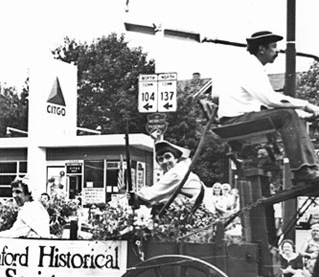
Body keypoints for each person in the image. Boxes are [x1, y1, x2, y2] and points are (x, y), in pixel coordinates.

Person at [215, 31, 319, 185]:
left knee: (288, 115)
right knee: (286, 115)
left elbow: (263, 105)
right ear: (261, 49)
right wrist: (306, 105)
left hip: (237, 120)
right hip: (234, 122)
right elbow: (270, 100)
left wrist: (303, 114)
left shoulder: (251, 66)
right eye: (274, 47)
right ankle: (305, 170)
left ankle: (306, 169)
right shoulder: (249, 67)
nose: (277, 51)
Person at [130, 140, 205, 211]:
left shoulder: (177, 173)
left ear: (176, 158)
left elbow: (152, 195)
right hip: (196, 211)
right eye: (160, 159)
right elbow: (160, 198)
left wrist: (135, 196)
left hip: (199, 213)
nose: (165, 162)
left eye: (168, 157)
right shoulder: (182, 170)